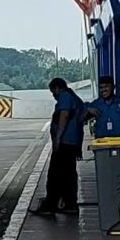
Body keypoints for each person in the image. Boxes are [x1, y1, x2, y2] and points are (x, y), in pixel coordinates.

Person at [31, 78, 85, 217]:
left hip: (65, 142)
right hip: (73, 142)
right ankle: (69, 204)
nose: (53, 95)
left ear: (57, 88)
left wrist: (58, 139)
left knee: (55, 174)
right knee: (69, 174)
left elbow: (64, 116)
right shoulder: (74, 97)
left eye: (52, 92)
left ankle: (50, 206)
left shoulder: (65, 96)